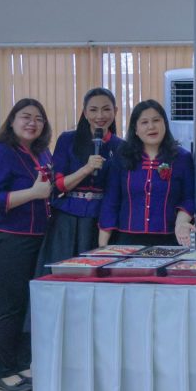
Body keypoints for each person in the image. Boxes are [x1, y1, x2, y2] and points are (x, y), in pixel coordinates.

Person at [0, 98, 53, 391]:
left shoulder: (42, 152)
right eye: (26, 117)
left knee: (28, 304)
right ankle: (5, 371)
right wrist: (33, 193)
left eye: (38, 118)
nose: (32, 123)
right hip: (6, 237)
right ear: (12, 121)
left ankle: (23, 363)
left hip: (37, 236)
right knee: (8, 305)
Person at [35, 88, 122, 275]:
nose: (100, 116)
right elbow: (57, 186)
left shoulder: (121, 146)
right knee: (62, 275)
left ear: (115, 111)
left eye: (106, 109)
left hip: (101, 221)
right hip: (66, 220)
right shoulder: (68, 140)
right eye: (93, 110)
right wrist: (86, 169)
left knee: (97, 278)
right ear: (84, 112)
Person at [98, 99, 195, 247]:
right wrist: (102, 248)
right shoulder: (122, 158)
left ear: (165, 124)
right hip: (126, 241)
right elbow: (111, 202)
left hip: (169, 240)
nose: (151, 126)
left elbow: (188, 198)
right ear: (135, 129)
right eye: (144, 122)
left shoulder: (182, 158)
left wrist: (181, 223)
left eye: (156, 120)